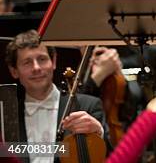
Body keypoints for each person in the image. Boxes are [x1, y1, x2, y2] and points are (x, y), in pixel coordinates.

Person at [6, 30, 108, 160]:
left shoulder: (88, 106)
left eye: (42, 59)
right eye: (27, 62)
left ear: (53, 61)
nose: (36, 68)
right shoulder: (7, 117)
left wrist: (98, 132)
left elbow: (113, 157)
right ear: (14, 71)